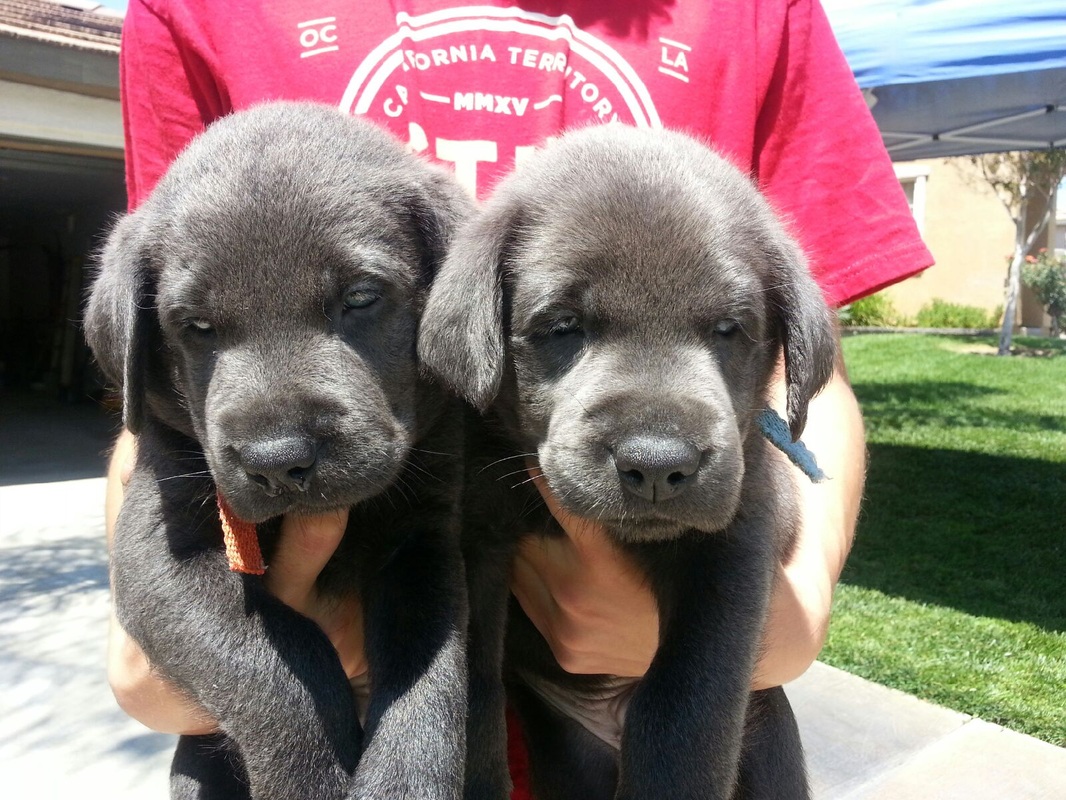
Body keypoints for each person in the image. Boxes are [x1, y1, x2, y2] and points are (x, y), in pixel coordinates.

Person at [105, 0, 933, 788]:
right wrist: (174, 651)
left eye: (361, 302)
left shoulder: (761, 16)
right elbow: (158, 362)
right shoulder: (195, 18)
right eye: (562, 327)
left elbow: (814, 376)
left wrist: (797, 610)